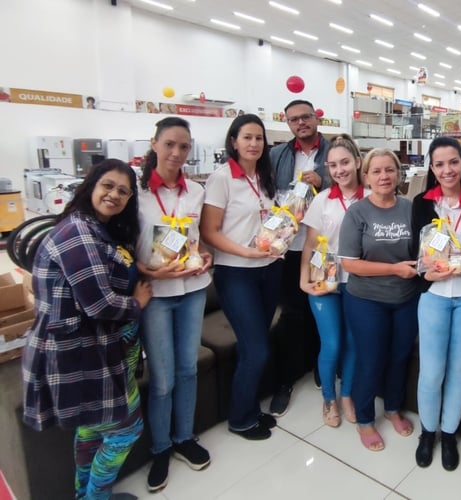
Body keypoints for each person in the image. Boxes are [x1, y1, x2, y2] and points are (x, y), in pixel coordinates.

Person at [22, 159, 152, 499]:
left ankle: (84, 494)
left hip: (98, 351)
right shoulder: (76, 232)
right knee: (126, 431)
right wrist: (137, 302)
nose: (114, 195)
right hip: (82, 353)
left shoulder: (95, 228)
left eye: (123, 191)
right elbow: (99, 305)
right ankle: (96, 497)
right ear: (91, 185)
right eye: (108, 185)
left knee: (91, 429)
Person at [136, 117, 213, 492]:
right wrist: (147, 271)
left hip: (194, 289)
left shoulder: (196, 192)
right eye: (169, 144)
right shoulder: (136, 195)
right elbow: (121, 252)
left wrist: (205, 255)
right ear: (154, 144)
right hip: (156, 296)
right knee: (163, 380)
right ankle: (161, 447)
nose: (176, 153)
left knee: (188, 369)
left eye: (183, 146)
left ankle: (184, 437)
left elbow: (196, 240)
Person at [410, 137, 461, 471]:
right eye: (439, 164)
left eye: (453, 162)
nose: (447, 170)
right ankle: (427, 432)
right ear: (431, 168)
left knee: (459, 371)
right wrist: (425, 275)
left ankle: (449, 433)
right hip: (433, 297)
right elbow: (415, 256)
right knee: (431, 372)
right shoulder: (421, 203)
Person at [200, 114, 281, 440]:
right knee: (256, 348)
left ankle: (249, 409)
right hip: (237, 274)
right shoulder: (221, 178)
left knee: (255, 346)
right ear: (233, 141)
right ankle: (239, 418)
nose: (253, 144)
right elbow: (209, 232)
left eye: (259, 138)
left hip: (269, 269)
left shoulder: (265, 176)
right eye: (247, 137)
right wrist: (244, 252)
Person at [339, 148, 421, 452]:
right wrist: (394, 269)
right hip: (366, 299)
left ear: (398, 174)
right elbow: (349, 263)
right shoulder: (357, 212)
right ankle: (364, 418)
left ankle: (392, 409)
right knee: (371, 359)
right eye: (377, 171)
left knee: (399, 357)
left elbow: (422, 253)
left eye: (390, 170)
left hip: (406, 298)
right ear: (366, 176)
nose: (384, 176)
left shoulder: (410, 208)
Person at [299, 134, 368, 427]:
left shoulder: (371, 198)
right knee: (333, 343)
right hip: (323, 281)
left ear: (357, 162)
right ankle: (329, 398)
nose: (339, 170)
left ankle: (348, 395)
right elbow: (310, 245)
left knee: (353, 344)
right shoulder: (323, 200)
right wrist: (304, 281)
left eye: (344, 163)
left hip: (359, 284)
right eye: (333, 165)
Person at [268, 99, 329, 417]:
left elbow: (355, 185)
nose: (300, 123)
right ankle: (285, 381)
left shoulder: (333, 150)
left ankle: (322, 367)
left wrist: (324, 181)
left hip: (323, 246)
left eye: (306, 116)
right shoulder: (277, 154)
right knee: (291, 315)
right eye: (293, 119)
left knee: (323, 310)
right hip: (287, 249)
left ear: (316, 117)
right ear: (287, 123)